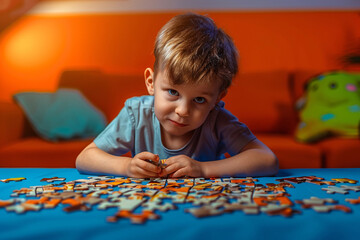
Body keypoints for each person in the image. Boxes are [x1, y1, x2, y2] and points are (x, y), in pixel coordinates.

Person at [76, 12, 278, 178]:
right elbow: (85, 158)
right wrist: (126, 167)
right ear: (151, 82)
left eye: (200, 99)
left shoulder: (217, 120)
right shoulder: (136, 114)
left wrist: (203, 169)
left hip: (204, 209)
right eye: (173, 92)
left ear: (217, 99)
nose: (182, 111)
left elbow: (267, 159)